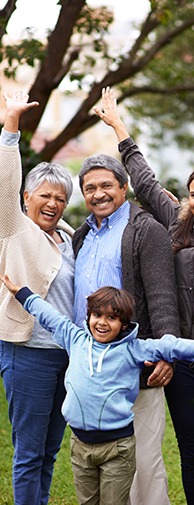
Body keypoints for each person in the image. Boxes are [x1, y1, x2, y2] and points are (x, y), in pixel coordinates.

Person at [93, 86, 194, 505]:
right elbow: (145, 182)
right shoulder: (176, 223)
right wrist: (117, 126)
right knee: (192, 459)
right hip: (183, 358)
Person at [0, 274, 194, 505]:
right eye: (96, 315)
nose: (102, 322)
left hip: (117, 449)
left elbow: (169, 346)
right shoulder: (75, 339)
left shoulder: (133, 349)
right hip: (80, 446)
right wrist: (21, 293)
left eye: (111, 318)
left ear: (123, 324)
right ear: (89, 316)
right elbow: (48, 315)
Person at [72, 134, 180, 505]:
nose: (98, 193)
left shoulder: (145, 229)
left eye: (106, 185)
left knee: (144, 462)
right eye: (90, 188)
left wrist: (166, 353)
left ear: (124, 186)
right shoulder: (83, 234)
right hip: (93, 369)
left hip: (137, 364)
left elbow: (163, 295)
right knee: (102, 468)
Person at [0, 91, 75, 505]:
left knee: (49, 450)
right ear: (27, 197)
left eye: (61, 197)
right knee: (29, 452)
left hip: (65, 355)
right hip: (28, 351)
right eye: (45, 194)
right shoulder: (13, 227)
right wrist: (11, 127)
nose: (53, 203)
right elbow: (5, 181)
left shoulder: (67, 238)